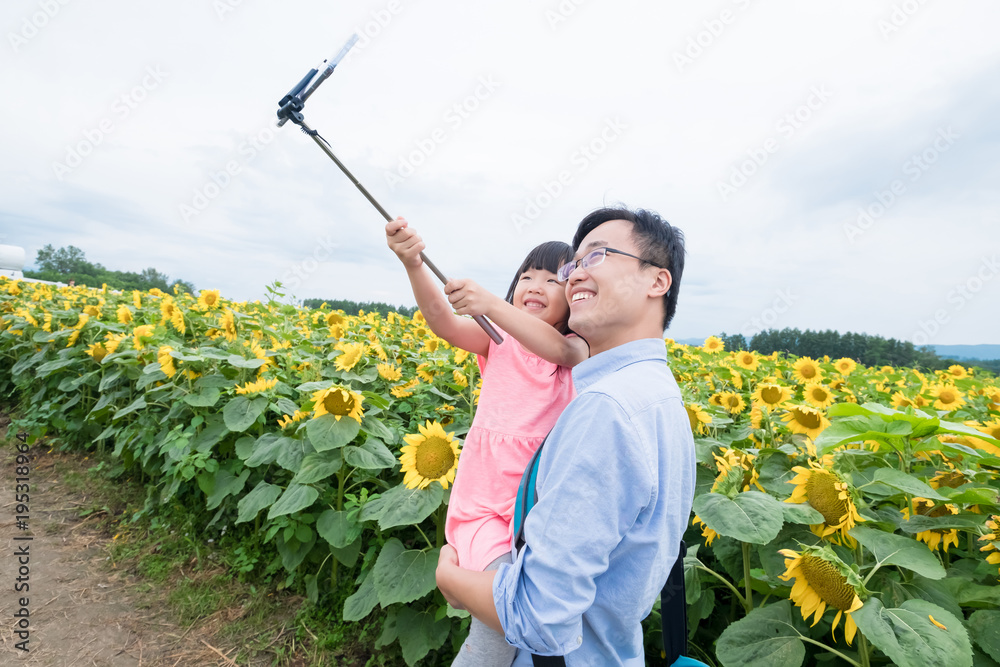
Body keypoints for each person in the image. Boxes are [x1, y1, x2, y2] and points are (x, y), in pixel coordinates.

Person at [435, 206, 696, 666]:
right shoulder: (658, 395)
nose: (574, 275)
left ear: (657, 281)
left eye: (596, 256)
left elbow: (536, 616)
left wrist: (451, 580)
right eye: (573, 265)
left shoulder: (606, 410)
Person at [385, 217, 590, 666]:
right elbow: (442, 321)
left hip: (536, 515)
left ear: (574, 297)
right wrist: (414, 264)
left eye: (552, 279)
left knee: (527, 623)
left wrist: (492, 304)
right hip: (486, 506)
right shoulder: (496, 341)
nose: (534, 284)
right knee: (500, 618)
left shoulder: (574, 348)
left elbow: (557, 351)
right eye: (527, 276)